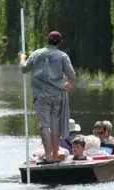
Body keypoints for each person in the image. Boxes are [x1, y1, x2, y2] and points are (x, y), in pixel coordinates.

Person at [20, 30, 76, 165]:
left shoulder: (36, 53)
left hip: (41, 96)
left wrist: (22, 57)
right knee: (55, 123)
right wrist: (69, 83)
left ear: (47, 40)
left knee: (44, 124)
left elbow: (24, 69)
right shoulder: (62, 55)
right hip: (57, 95)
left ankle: (49, 156)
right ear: (60, 42)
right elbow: (71, 74)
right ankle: (55, 154)